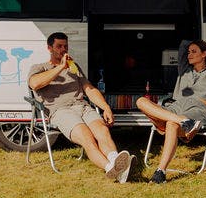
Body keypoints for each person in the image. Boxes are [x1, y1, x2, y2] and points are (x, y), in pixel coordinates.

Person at [28, 32, 133, 182]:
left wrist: (106, 107)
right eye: (59, 46)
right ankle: (110, 168)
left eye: (65, 46)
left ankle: (117, 162)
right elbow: (35, 84)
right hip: (60, 111)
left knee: (102, 130)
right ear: (49, 48)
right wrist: (60, 67)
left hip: (82, 106)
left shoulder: (73, 67)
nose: (63, 49)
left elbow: (89, 89)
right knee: (87, 137)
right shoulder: (40, 68)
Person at [136, 39, 206, 184]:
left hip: (196, 109)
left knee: (171, 124)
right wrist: (197, 49)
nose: (189, 55)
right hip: (175, 108)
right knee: (140, 101)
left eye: (194, 52)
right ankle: (184, 122)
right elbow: (183, 44)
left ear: (203, 54)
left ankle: (160, 171)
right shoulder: (184, 70)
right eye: (189, 52)